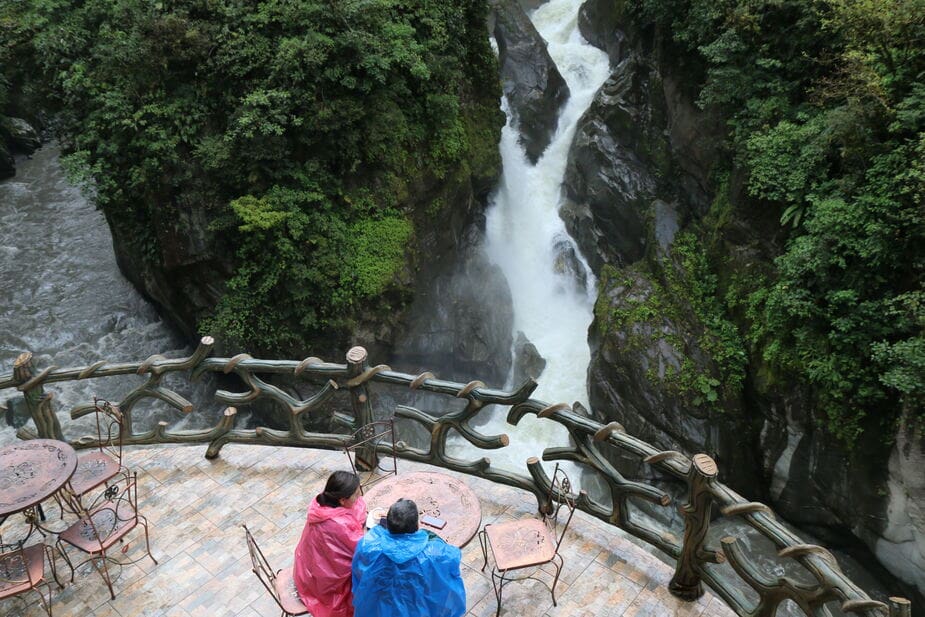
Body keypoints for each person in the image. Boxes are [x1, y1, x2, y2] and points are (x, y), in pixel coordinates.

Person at [351, 498, 466, 617]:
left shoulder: (368, 546)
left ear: (388, 524)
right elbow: (450, 579)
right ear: (417, 525)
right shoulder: (437, 554)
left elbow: (358, 577)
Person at [293, 471, 366, 617]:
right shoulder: (339, 524)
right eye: (356, 494)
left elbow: (357, 508)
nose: (359, 497)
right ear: (342, 500)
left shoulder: (321, 504)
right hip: (324, 582)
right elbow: (362, 548)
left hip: (307, 568)